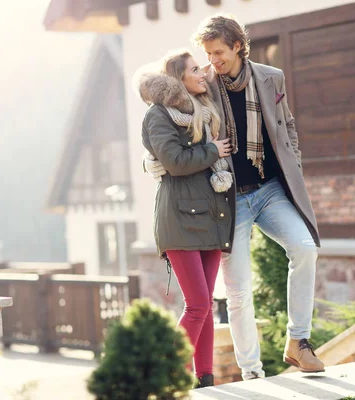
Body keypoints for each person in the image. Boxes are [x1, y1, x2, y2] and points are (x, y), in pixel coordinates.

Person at [144, 15, 325, 380]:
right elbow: (172, 122)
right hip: (228, 200)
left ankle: (299, 342)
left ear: (238, 46)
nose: (213, 61)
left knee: (305, 248)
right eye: (207, 54)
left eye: (219, 52)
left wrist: (295, 160)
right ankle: (251, 372)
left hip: (270, 188)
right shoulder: (202, 84)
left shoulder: (271, 77)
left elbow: (285, 123)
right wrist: (153, 162)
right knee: (238, 291)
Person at [135, 49, 234, 388]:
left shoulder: (205, 112)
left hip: (210, 215)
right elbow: (174, 162)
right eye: (195, 69)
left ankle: (204, 379)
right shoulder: (158, 115)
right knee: (198, 305)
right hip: (178, 218)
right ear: (179, 78)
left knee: (205, 307)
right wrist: (212, 151)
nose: (202, 74)